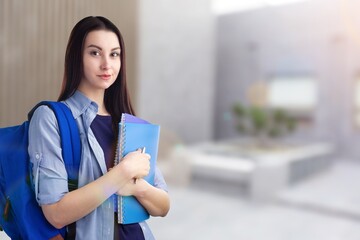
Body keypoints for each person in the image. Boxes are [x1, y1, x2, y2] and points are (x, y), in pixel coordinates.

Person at [28, 16, 170, 240]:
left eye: (114, 54)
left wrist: (137, 188)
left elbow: (163, 206)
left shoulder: (130, 123)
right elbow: (56, 213)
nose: (107, 64)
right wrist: (122, 174)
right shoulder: (50, 118)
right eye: (95, 53)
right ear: (76, 57)